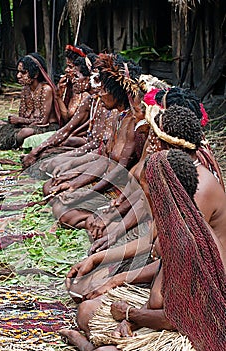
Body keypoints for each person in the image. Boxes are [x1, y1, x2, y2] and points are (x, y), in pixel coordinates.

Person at [60, 149, 226, 351]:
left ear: (164, 192)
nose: (143, 197)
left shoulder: (188, 237)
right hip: (163, 315)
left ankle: (90, 348)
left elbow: (177, 318)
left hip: (195, 335)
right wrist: (121, 292)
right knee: (87, 310)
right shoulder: (176, 223)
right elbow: (163, 272)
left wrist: (128, 314)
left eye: (147, 191)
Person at [66, 104, 226, 301]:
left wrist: (118, 279)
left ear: (166, 146)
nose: (151, 145)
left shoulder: (198, 188)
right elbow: (153, 241)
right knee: (81, 285)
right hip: (164, 264)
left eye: (155, 140)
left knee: (87, 302)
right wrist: (97, 257)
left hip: (196, 283)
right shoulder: (174, 176)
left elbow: (177, 259)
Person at [49, 53, 148, 230]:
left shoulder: (135, 126)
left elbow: (119, 170)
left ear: (118, 93)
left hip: (121, 191)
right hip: (107, 181)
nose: (100, 93)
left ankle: (103, 220)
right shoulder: (118, 116)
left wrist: (85, 194)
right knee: (52, 189)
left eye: (105, 89)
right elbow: (104, 160)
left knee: (64, 212)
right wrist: (73, 183)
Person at [0, 53, 61, 149]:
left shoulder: (46, 89)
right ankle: (11, 139)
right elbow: (21, 116)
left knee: (25, 132)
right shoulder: (25, 89)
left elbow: (43, 121)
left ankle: (3, 139)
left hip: (45, 127)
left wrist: (20, 120)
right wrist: (18, 121)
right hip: (25, 125)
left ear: (35, 74)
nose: (18, 76)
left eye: (23, 72)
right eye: (18, 72)